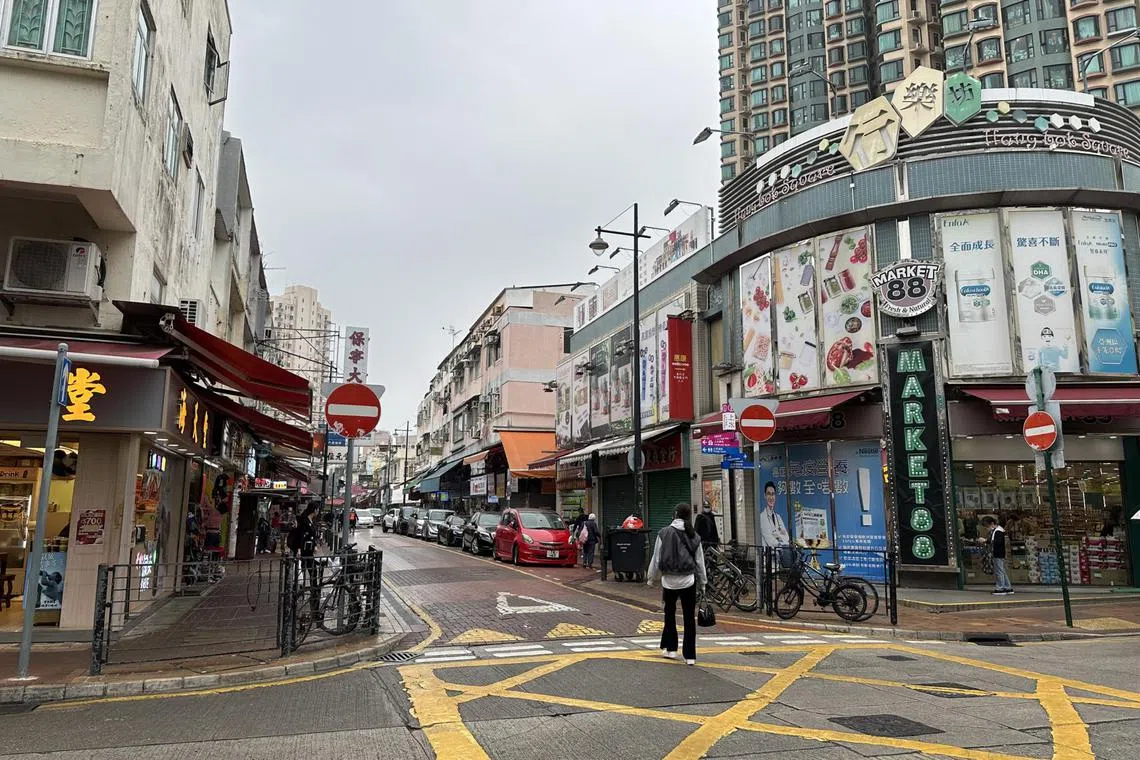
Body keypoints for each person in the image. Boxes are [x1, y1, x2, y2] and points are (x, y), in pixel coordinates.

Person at [647, 503, 707, 666]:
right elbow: (699, 562)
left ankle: (671, 650)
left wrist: (651, 578)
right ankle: (690, 656)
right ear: (689, 516)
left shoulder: (663, 533)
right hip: (689, 581)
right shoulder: (694, 535)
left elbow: (657, 558)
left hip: (669, 582)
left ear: (674, 514)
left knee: (669, 615)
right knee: (689, 618)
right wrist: (703, 582)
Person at [758, 481, 791, 567]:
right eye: (768, 494)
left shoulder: (778, 517)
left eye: (773, 494)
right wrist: (780, 540)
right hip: (768, 561)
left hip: (779, 560)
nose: (771, 497)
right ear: (765, 496)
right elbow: (770, 540)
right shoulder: (762, 517)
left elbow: (786, 537)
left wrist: (778, 538)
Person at [978, 515, 1013, 595]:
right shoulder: (998, 530)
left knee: (999, 571)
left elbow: (997, 542)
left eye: (987, 526)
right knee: (1002, 570)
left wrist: (985, 541)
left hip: (998, 553)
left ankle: (1000, 588)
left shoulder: (998, 531)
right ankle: (1007, 587)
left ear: (992, 523)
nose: (987, 528)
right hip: (999, 553)